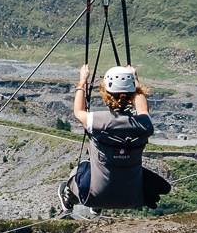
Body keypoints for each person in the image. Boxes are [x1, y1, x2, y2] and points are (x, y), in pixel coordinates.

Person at [59, 63, 171, 212]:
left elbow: (78, 111)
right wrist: (135, 80)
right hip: (133, 198)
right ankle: (97, 206)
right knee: (163, 186)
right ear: (133, 94)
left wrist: (82, 81)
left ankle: (69, 198)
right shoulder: (145, 125)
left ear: (106, 93)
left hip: (93, 196)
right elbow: (143, 109)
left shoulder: (97, 121)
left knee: (83, 167)